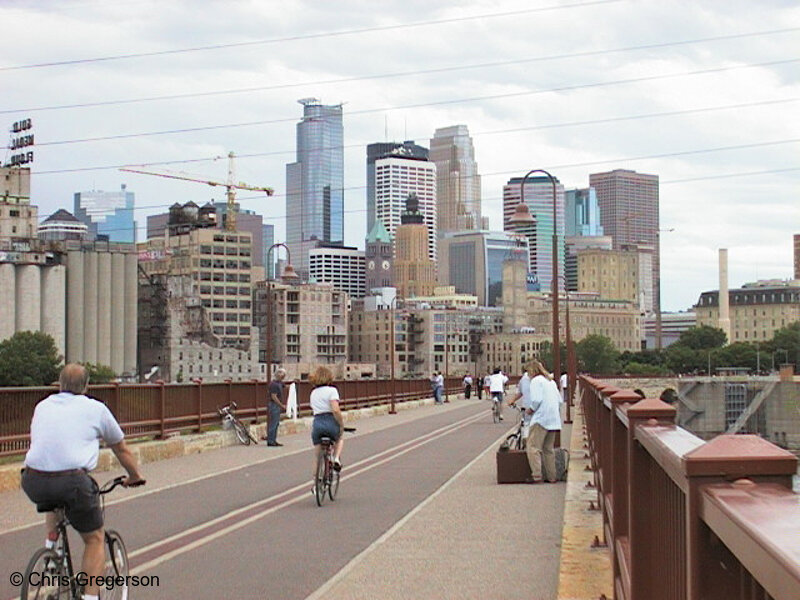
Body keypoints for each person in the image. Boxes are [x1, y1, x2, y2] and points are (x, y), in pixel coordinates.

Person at [21, 364, 145, 600]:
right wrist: (135, 476)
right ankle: (89, 597)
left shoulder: (43, 405)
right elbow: (120, 448)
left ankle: (52, 548)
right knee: (95, 538)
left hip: (32, 479)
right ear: (87, 386)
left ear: (59, 384)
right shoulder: (96, 409)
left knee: (54, 498)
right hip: (72, 482)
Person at [524, 360, 562, 483]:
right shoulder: (551, 382)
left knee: (533, 447)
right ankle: (552, 476)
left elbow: (536, 400)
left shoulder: (536, 381)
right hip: (554, 419)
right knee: (548, 449)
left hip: (541, 418)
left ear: (531, 371)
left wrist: (530, 410)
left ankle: (536, 475)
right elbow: (560, 401)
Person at [310, 365, 345, 477]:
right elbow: (335, 409)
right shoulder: (332, 391)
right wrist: (341, 424)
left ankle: (316, 483)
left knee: (318, 456)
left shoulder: (313, 393)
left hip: (317, 423)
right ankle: (336, 459)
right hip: (330, 421)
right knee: (339, 438)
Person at [263, 367, 286, 446]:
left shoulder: (279, 383)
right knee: (274, 423)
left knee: (276, 423)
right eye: (282, 375)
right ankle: (271, 440)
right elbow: (274, 396)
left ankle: (273, 439)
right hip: (274, 405)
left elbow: (285, 386)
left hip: (276, 405)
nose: (283, 377)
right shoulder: (274, 385)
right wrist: (281, 405)